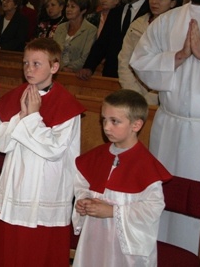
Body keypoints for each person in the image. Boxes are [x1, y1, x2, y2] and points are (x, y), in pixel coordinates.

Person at [0, 38, 84, 266]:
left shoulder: (66, 104)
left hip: (44, 189)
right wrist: (21, 115)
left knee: (36, 252)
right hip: (14, 185)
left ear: (54, 67)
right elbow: (1, 142)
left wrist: (32, 117)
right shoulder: (17, 96)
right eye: (26, 63)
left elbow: (54, 150)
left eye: (37, 63)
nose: (29, 69)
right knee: (10, 250)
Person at [130, 0, 200, 260]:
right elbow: (141, 60)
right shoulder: (167, 21)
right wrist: (178, 57)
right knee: (165, 200)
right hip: (171, 127)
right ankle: (163, 257)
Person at [72, 89, 172, 266]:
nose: (106, 127)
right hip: (95, 238)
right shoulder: (96, 157)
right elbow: (82, 186)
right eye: (104, 119)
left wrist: (112, 212)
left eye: (114, 121)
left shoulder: (145, 165)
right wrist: (83, 200)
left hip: (125, 248)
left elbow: (153, 208)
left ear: (136, 125)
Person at [118, 0, 182, 105]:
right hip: (135, 91)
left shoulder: (179, 28)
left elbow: (175, 66)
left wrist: (152, 97)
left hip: (164, 96)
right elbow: (124, 60)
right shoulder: (137, 25)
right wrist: (134, 93)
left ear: (173, 3)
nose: (154, 1)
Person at [78, 0, 149, 79]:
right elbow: (103, 42)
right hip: (112, 71)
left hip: (137, 74)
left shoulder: (149, 12)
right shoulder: (116, 12)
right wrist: (89, 66)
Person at [53, 0, 97, 72]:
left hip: (77, 74)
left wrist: (69, 68)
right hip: (58, 70)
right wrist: (61, 67)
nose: (68, 9)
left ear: (83, 10)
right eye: (67, 6)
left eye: (73, 7)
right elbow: (53, 51)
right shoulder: (60, 28)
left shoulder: (91, 30)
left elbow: (85, 57)